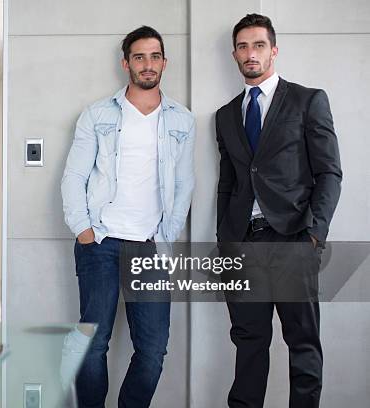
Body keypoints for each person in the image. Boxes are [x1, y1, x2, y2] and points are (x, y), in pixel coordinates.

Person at [61, 25, 195, 408]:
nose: (148, 64)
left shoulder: (182, 120)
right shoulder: (97, 114)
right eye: (139, 56)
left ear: (164, 62)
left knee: (152, 351)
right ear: (126, 63)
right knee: (92, 344)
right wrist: (83, 230)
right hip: (100, 242)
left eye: (155, 56)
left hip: (150, 248)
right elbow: (74, 176)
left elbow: (184, 184)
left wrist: (167, 239)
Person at [215, 14, 342, 408]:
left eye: (257, 45)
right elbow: (229, 183)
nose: (250, 54)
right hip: (244, 245)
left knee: (302, 343)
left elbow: (329, 173)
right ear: (234, 54)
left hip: (293, 240)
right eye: (242, 46)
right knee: (249, 344)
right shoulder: (226, 115)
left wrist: (313, 235)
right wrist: (225, 241)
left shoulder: (308, 100)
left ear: (273, 50)